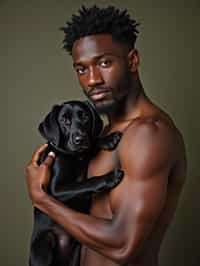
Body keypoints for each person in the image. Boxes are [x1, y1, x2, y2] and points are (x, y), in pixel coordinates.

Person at [26, 5, 187, 266]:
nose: (92, 80)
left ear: (132, 60)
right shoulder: (103, 133)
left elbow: (124, 245)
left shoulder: (148, 134)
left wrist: (41, 198)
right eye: (81, 69)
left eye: (104, 62)